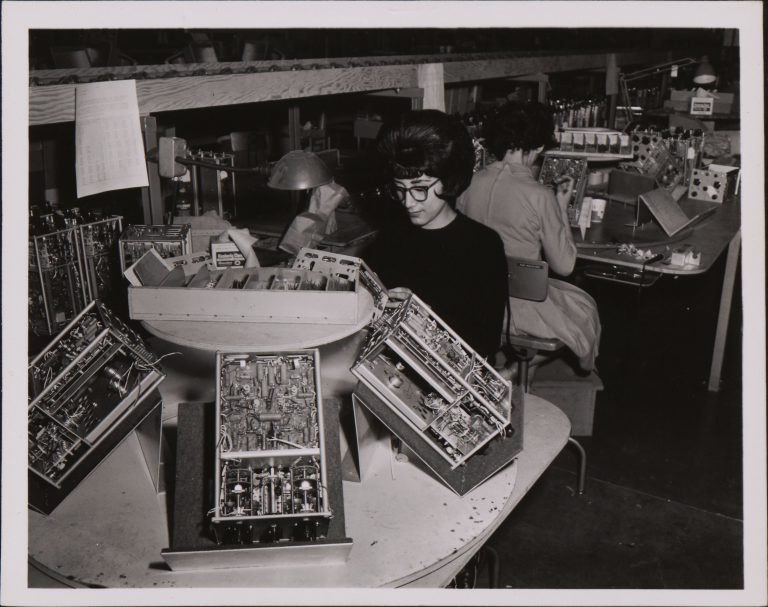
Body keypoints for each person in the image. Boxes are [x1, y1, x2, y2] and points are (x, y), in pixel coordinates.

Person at [458, 101, 601, 371]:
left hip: (476, 297)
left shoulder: (469, 183)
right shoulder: (540, 196)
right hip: (519, 307)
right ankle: (515, 372)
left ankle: (517, 372)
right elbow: (565, 266)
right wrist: (560, 207)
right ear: (537, 148)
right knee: (585, 308)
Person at [364, 109, 508, 361]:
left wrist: (425, 322)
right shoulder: (390, 238)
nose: (408, 202)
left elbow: (486, 342)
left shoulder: (482, 245)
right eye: (399, 189)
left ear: (449, 180)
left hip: (451, 375)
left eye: (420, 189)